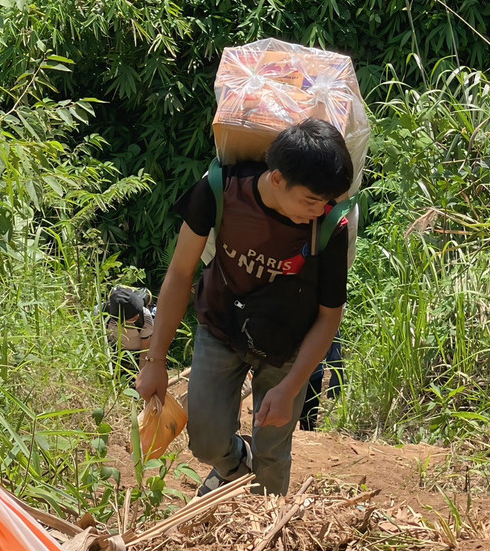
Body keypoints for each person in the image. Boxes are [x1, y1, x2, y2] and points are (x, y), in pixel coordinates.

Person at [137, 119, 353, 496]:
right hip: (222, 325)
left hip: (288, 344)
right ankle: (235, 464)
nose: (319, 211)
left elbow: (328, 316)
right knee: (205, 442)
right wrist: (155, 360)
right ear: (277, 180)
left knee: (271, 457)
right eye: (310, 201)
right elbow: (180, 273)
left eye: (327, 202)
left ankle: (266, 539)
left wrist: (290, 387)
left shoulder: (331, 225)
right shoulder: (220, 190)